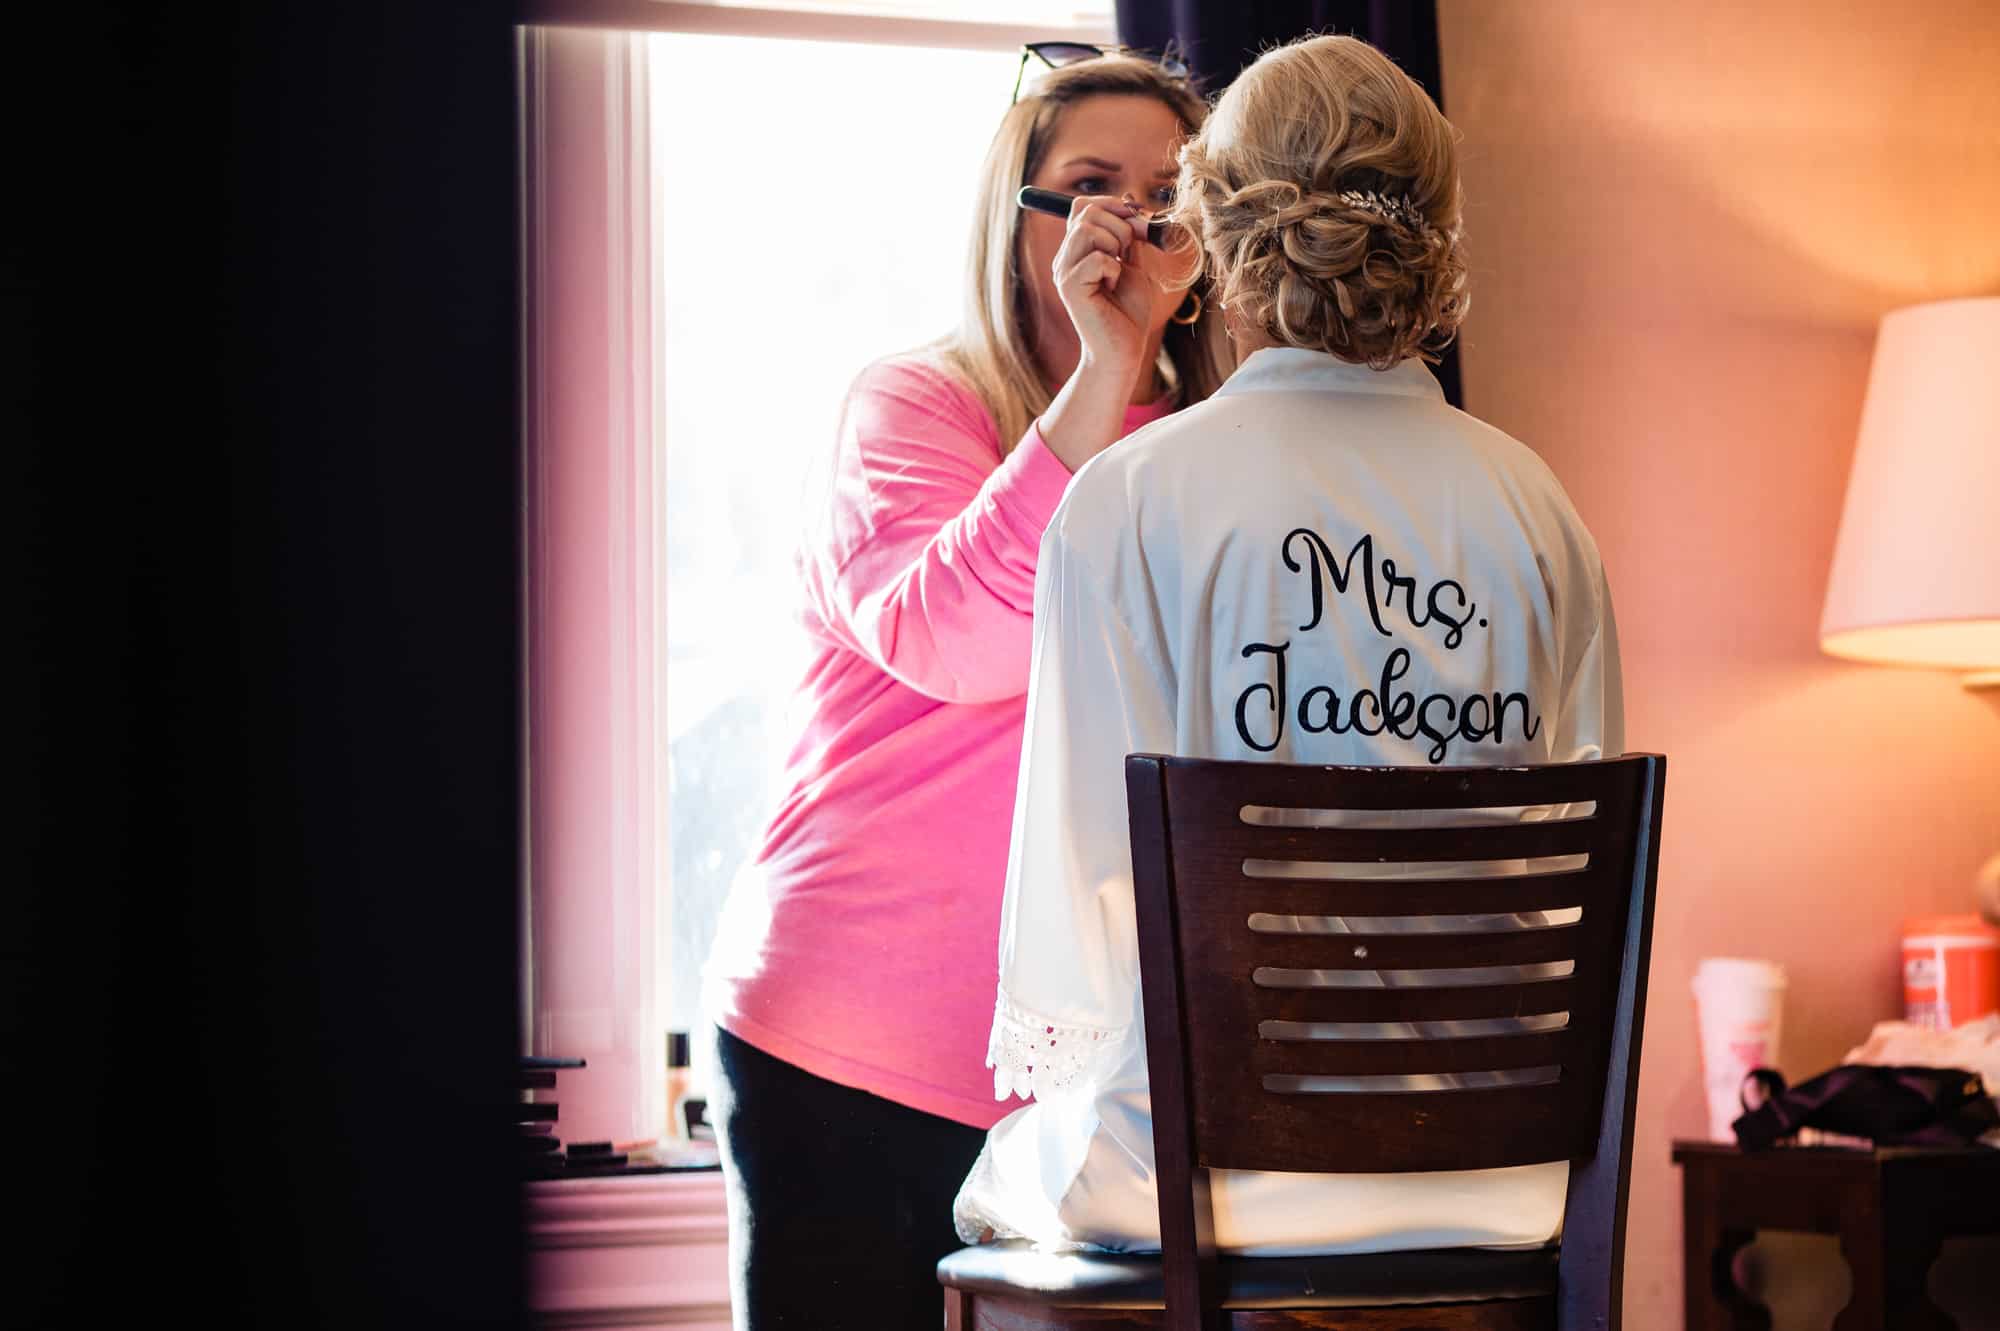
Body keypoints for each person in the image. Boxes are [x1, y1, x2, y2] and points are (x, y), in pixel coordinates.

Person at [953, 33, 1626, 1255]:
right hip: (1502, 1168)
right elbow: (1563, 885)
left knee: (998, 1180)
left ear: (1207, 233)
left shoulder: (1127, 499)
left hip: (1207, 1171)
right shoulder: (1537, 509)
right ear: (1434, 228)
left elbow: (1088, 888)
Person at [699, 47, 1230, 1330]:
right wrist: (1103, 369)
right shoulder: (912, 406)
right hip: (847, 1044)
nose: (1127, 219)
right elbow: (958, 641)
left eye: (1167, 191)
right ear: (1020, 215)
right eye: (1089, 184)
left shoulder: (1215, 445)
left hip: (1087, 1087)